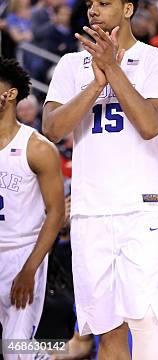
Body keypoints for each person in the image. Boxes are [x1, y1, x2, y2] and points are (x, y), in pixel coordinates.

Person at [42, 0, 158, 360]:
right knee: (105, 326)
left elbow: (152, 124)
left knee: (143, 316)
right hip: (90, 208)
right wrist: (94, 83)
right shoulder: (71, 65)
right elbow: (52, 128)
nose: (93, 10)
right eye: (89, 4)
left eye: (103, 2)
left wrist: (112, 71)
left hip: (141, 206)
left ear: (128, 8)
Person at [0, 57, 65, 359]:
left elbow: (56, 213)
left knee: (15, 350)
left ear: (10, 94)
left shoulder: (36, 147)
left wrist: (30, 268)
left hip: (21, 253)